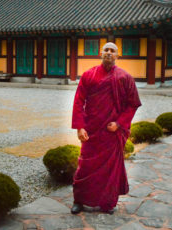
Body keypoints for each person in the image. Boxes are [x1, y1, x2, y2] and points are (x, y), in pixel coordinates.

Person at [71, 42, 141, 214]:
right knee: (85, 166)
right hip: (92, 130)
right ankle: (79, 200)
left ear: (118, 55)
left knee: (110, 170)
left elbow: (133, 104)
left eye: (113, 51)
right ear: (100, 53)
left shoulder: (125, 77)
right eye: (106, 50)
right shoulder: (89, 75)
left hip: (111, 132)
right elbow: (79, 101)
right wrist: (80, 127)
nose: (109, 53)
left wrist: (118, 124)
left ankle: (107, 202)